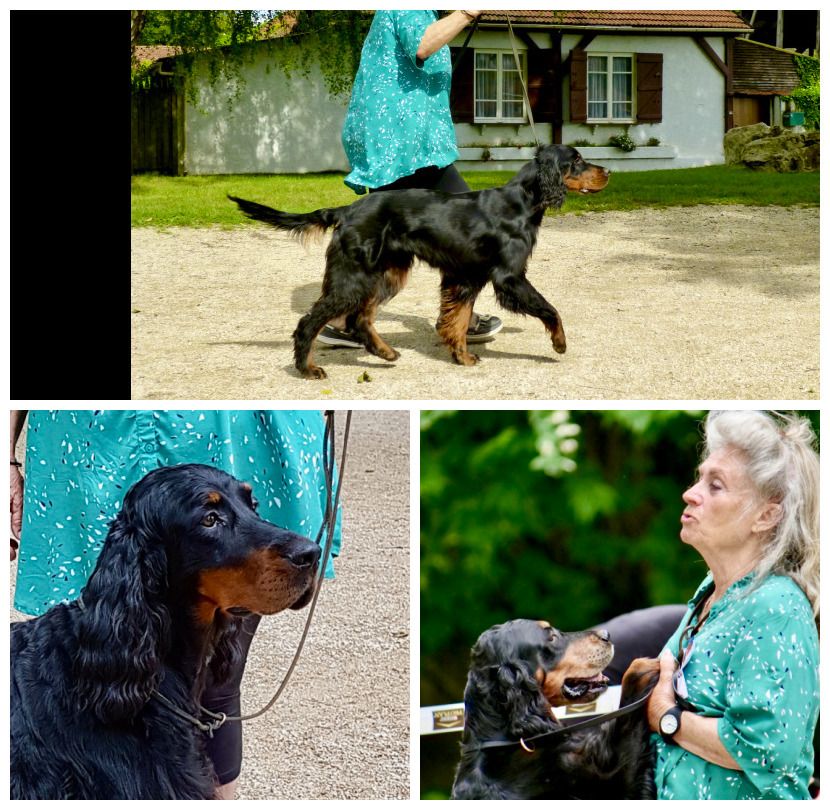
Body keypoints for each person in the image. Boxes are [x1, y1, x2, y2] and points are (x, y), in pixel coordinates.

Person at [10, 409, 342, 800]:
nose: (300, 547)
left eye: (248, 509)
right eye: (212, 519)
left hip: (234, 429)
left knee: (216, 686)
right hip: (92, 447)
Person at [644, 410, 819, 799]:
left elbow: (767, 749)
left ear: (766, 515)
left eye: (716, 486)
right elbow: (665, 672)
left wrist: (668, 719)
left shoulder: (776, 607)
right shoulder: (713, 588)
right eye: (700, 478)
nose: (691, 493)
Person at [319, 9, 503, 348]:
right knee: (464, 229)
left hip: (412, 140)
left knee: (423, 234)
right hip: (400, 140)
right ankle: (347, 320)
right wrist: (466, 12)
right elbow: (422, 45)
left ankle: (346, 319)